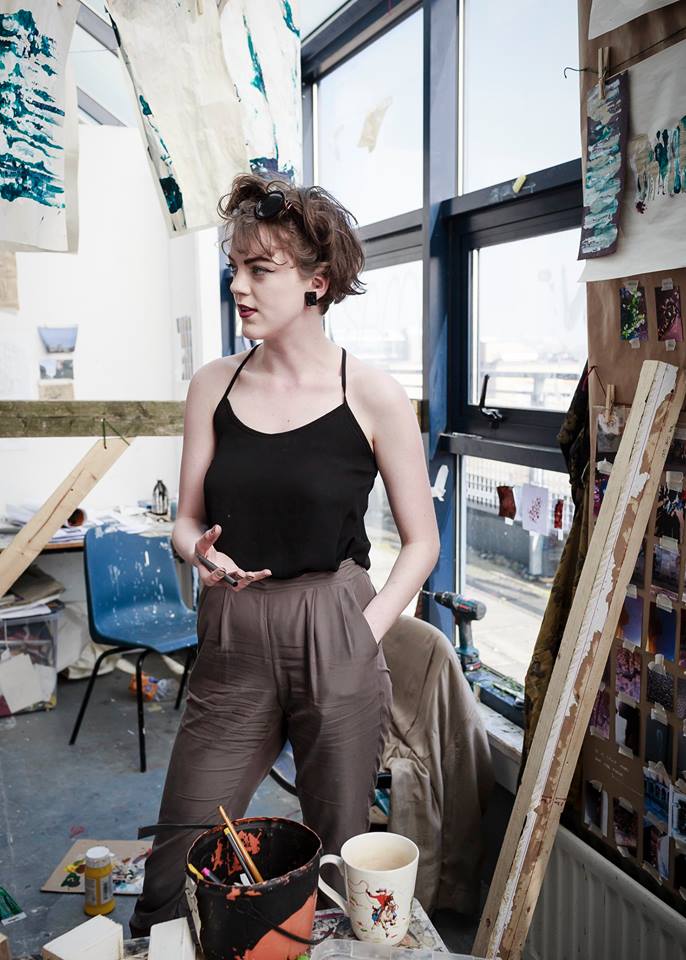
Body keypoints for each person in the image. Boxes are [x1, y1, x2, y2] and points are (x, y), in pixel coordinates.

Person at [130, 174, 440, 933]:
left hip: (335, 620)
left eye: (259, 269)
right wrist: (198, 553)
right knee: (178, 857)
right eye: (234, 267)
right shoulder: (213, 384)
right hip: (234, 627)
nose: (238, 286)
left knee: (338, 851)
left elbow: (423, 541)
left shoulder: (372, 393)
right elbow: (186, 520)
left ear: (316, 282)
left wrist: (363, 632)